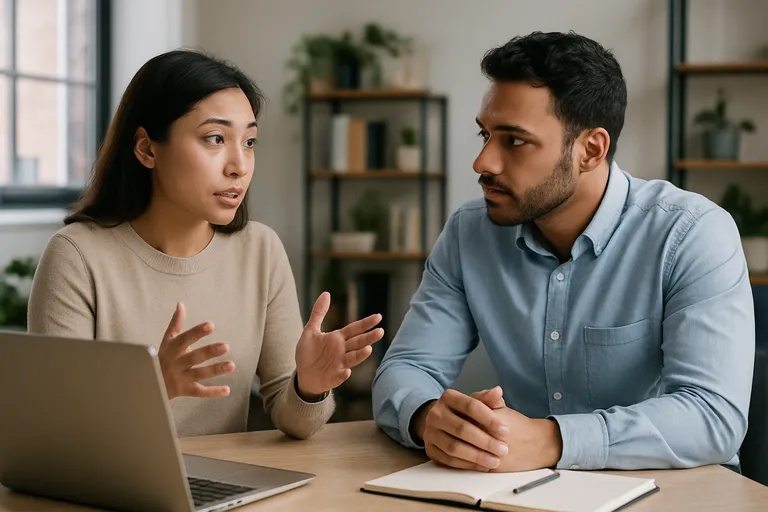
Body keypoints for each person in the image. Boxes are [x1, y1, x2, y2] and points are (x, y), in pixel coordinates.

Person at [372, 31, 755, 472]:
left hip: (679, 491)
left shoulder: (691, 234)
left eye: (514, 140)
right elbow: (406, 368)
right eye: (485, 135)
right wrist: (427, 418)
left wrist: (552, 440)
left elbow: (713, 416)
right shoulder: (469, 233)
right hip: (528, 490)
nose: (483, 163)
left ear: (591, 150)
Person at [28, 49, 384, 440]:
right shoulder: (76, 256)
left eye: (249, 142)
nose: (239, 165)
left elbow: (295, 421)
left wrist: (309, 387)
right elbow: (58, 434)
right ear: (147, 149)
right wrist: (154, 388)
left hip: (222, 491)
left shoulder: (260, 251)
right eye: (215, 138)